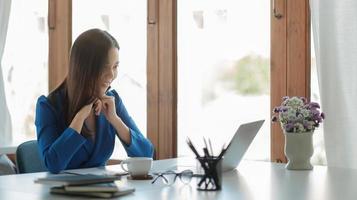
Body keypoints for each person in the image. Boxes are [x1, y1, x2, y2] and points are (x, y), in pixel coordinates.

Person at [35, 29, 154, 174]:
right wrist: (78, 119)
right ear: (84, 69)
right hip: (62, 194)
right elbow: (53, 163)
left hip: (103, 192)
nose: (111, 75)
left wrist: (115, 120)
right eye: (105, 68)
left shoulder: (112, 101)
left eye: (115, 66)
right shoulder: (48, 106)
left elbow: (146, 154)